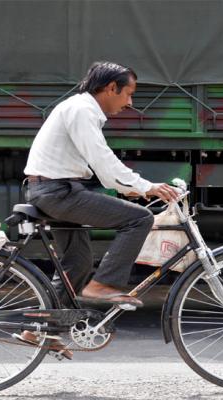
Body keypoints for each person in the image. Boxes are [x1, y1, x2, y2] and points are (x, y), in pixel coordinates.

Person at [24, 61, 178, 309]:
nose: (129, 103)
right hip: (58, 192)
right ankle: (103, 285)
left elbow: (102, 162)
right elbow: (102, 159)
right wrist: (144, 186)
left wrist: (134, 186)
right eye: (128, 94)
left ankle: (43, 329)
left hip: (56, 190)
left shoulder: (81, 108)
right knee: (140, 219)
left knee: (79, 262)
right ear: (111, 88)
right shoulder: (81, 110)